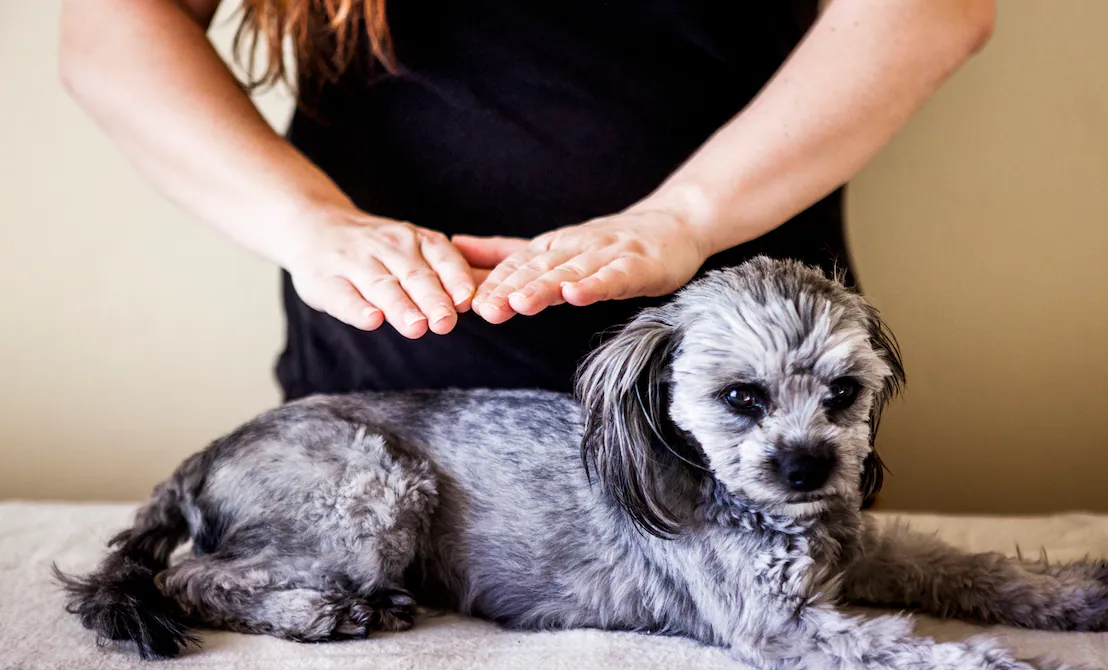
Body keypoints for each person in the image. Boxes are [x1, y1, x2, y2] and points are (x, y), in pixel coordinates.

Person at [60, 0, 994, 399]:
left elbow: (929, 8)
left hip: (741, 413)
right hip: (388, 409)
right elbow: (109, 25)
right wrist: (309, 223)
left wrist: (686, 218)